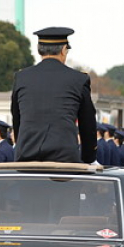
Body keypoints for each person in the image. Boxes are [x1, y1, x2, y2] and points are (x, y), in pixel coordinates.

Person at [11, 27, 97, 163]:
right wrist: (88, 158)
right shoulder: (78, 79)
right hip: (65, 160)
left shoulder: (22, 77)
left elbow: (17, 120)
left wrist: (21, 148)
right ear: (63, 50)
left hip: (27, 157)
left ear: (39, 50)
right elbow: (88, 125)